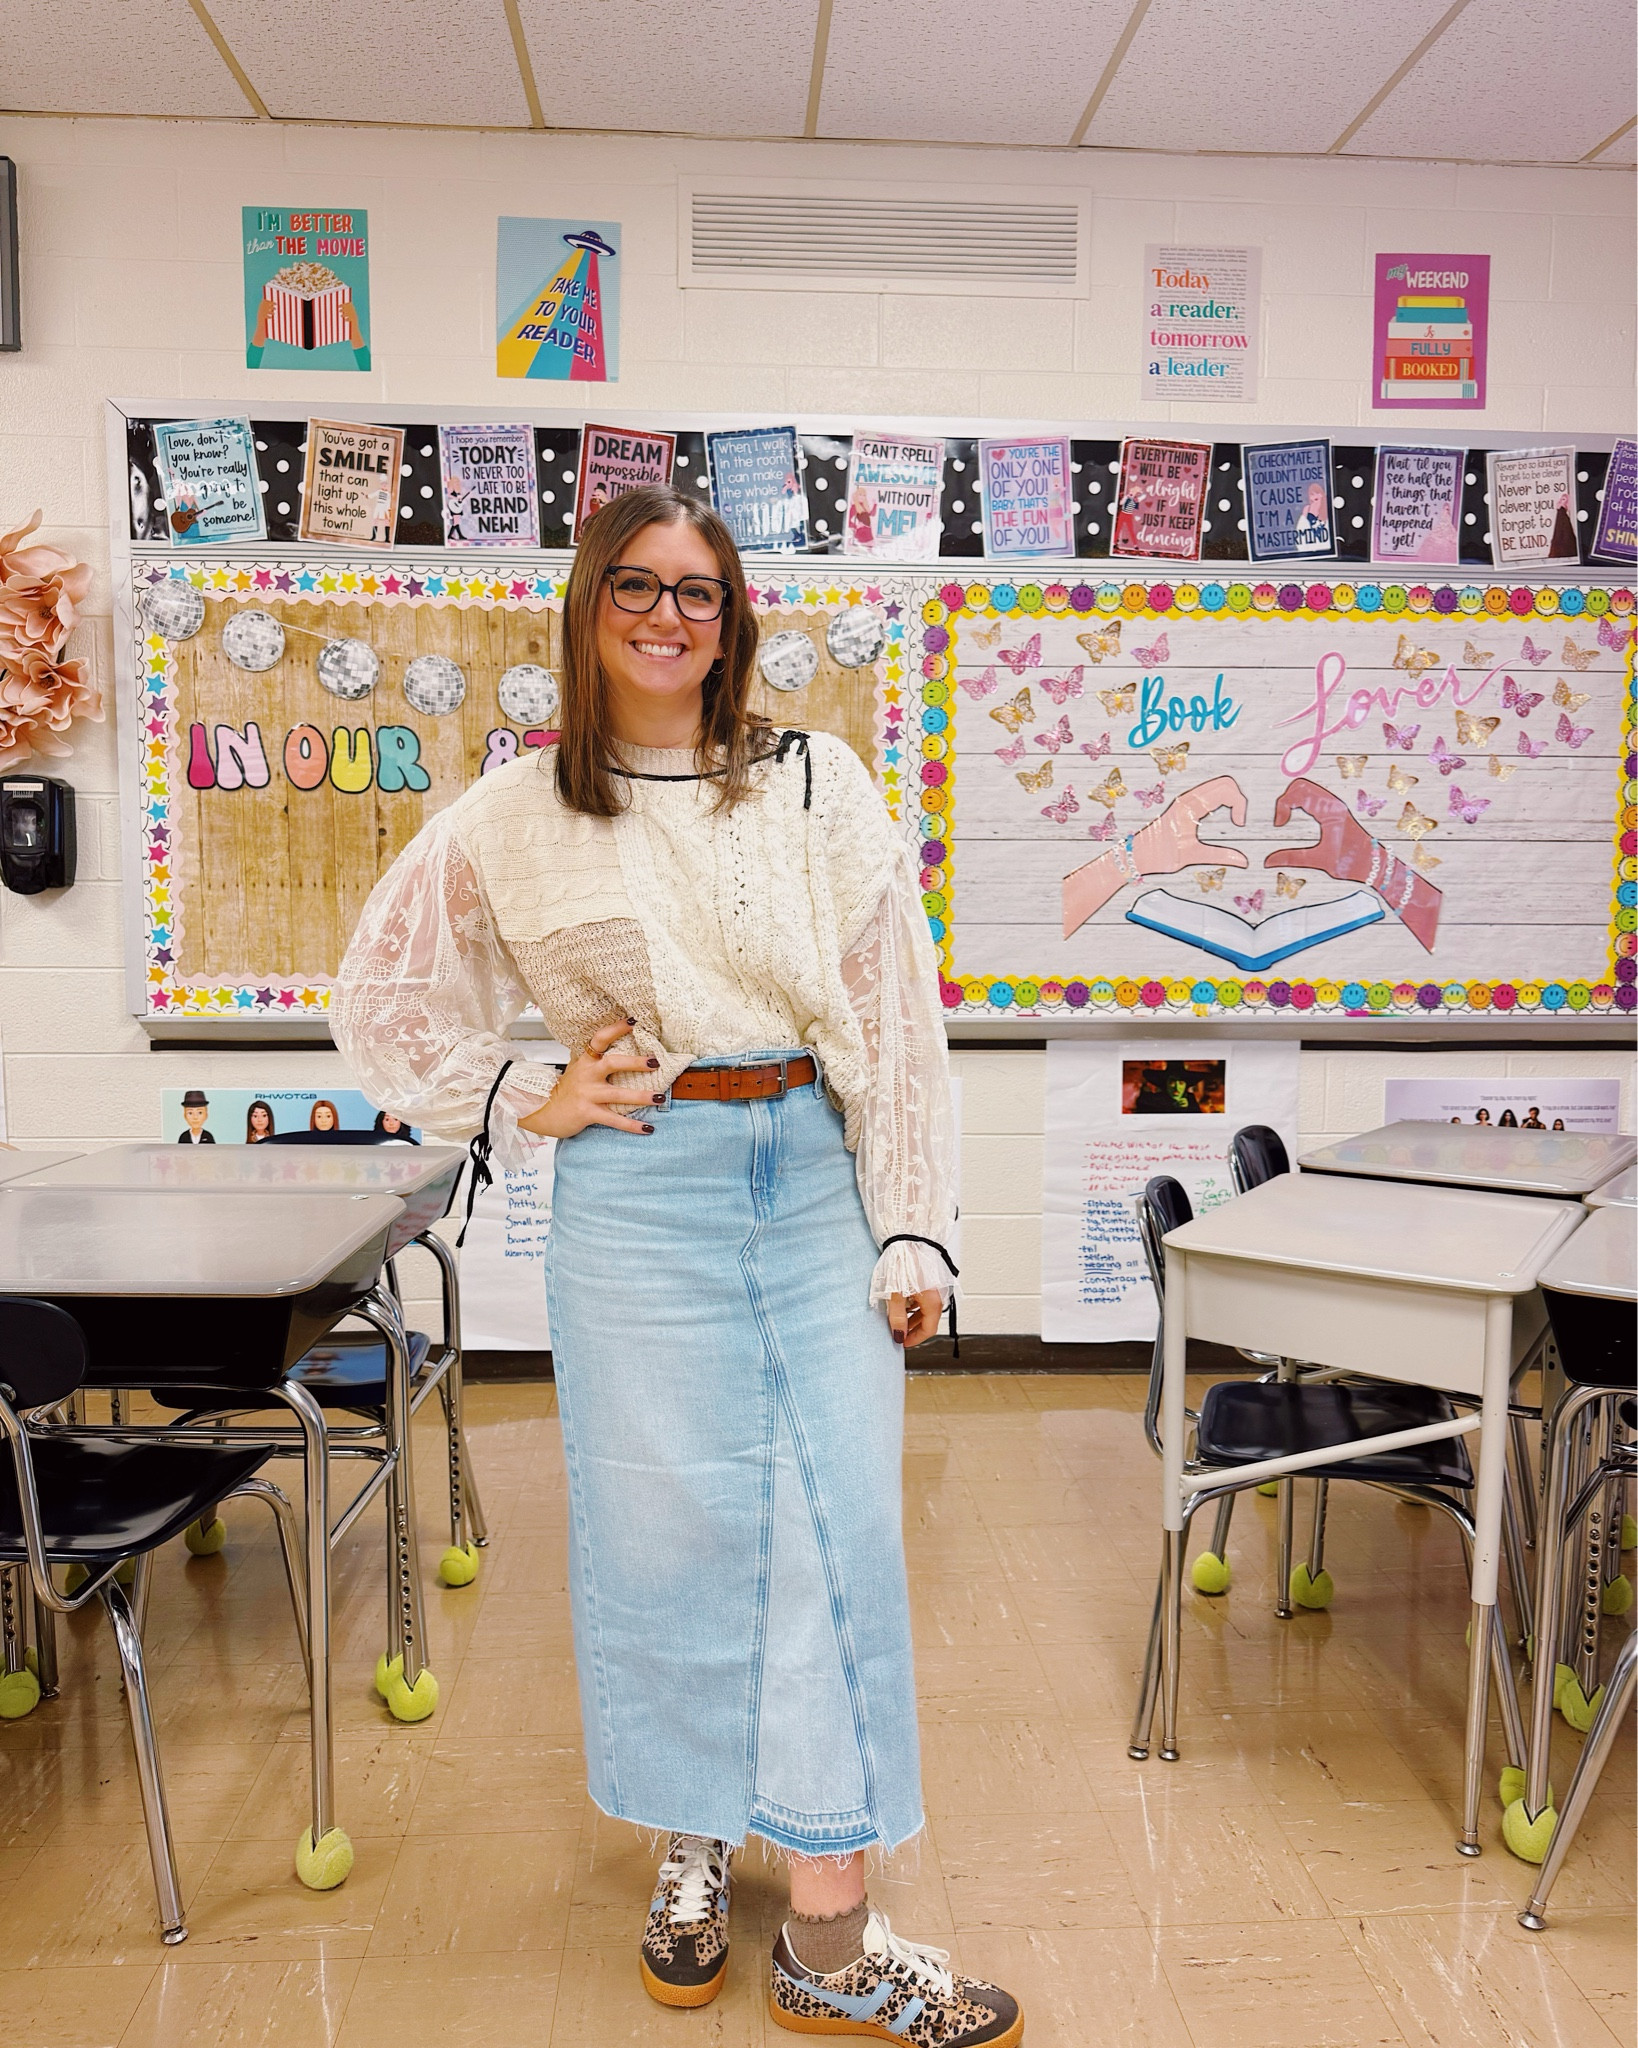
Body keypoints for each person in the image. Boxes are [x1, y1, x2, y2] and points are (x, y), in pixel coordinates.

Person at [331, 484, 1021, 2046]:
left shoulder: (813, 781)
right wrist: (528, 1091)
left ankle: (829, 1935)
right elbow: (380, 997)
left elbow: (893, 1013)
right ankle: (694, 1845)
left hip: (811, 1173)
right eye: (635, 585)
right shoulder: (517, 809)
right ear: (588, 608)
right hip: (638, 1192)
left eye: (697, 590)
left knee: (837, 1532)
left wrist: (913, 1220)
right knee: (665, 1529)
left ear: (731, 622)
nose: (665, 614)